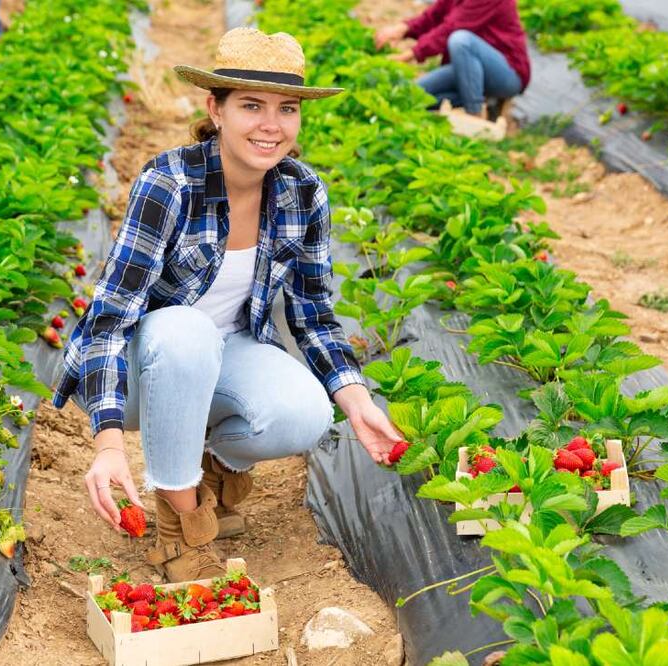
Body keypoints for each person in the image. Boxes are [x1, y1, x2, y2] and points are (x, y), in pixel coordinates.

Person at [51, 27, 404, 583]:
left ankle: (214, 468)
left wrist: (356, 401)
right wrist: (109, 442)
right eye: (252, 105)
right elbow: (110, 319)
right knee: (186, 332)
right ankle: (178, 523)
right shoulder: (169, 183)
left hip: (225, 351)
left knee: (306, 414)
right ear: (214, 109)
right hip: (145, 366)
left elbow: (311, 311)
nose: (271, 125)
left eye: (287, 108)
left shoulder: (302, 192)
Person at [375, 0, 531, 119]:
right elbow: (433, 16)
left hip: (507, 73)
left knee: (461, 40)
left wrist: (409, 55)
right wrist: (402, 29)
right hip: (468, 69)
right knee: (415, 95)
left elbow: (451, 28)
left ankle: (475, 113)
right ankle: (486, 102)